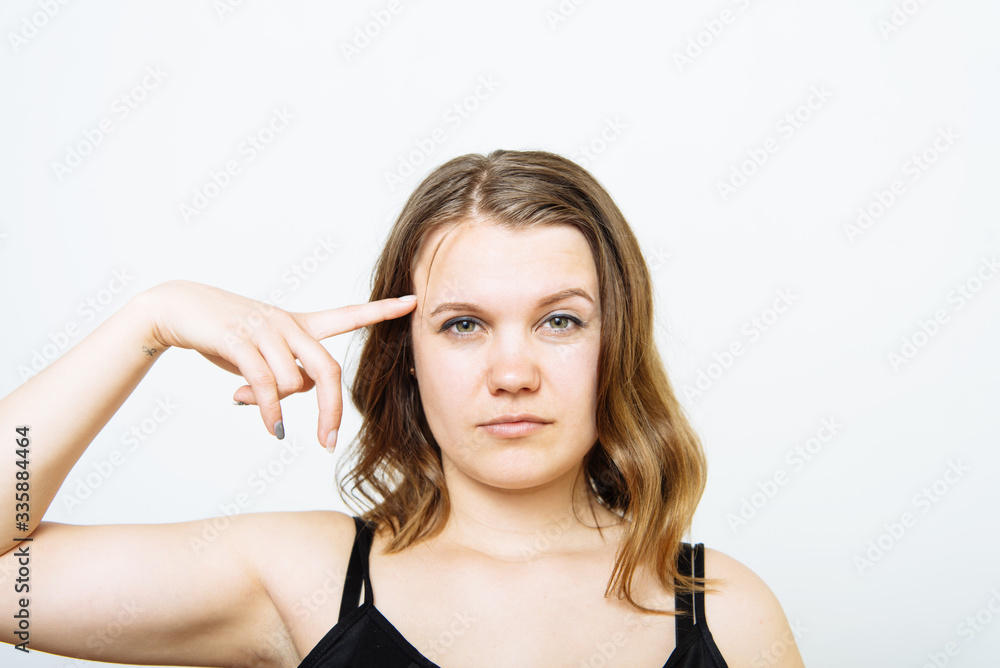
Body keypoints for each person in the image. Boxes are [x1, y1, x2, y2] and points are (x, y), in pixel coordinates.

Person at [0, 150, 805, 667]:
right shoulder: (308, 577)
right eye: (463, 325)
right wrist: (152, 320)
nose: (512, 372)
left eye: (560, 321)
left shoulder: (725, 613)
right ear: (408, 357)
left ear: (616, 342)